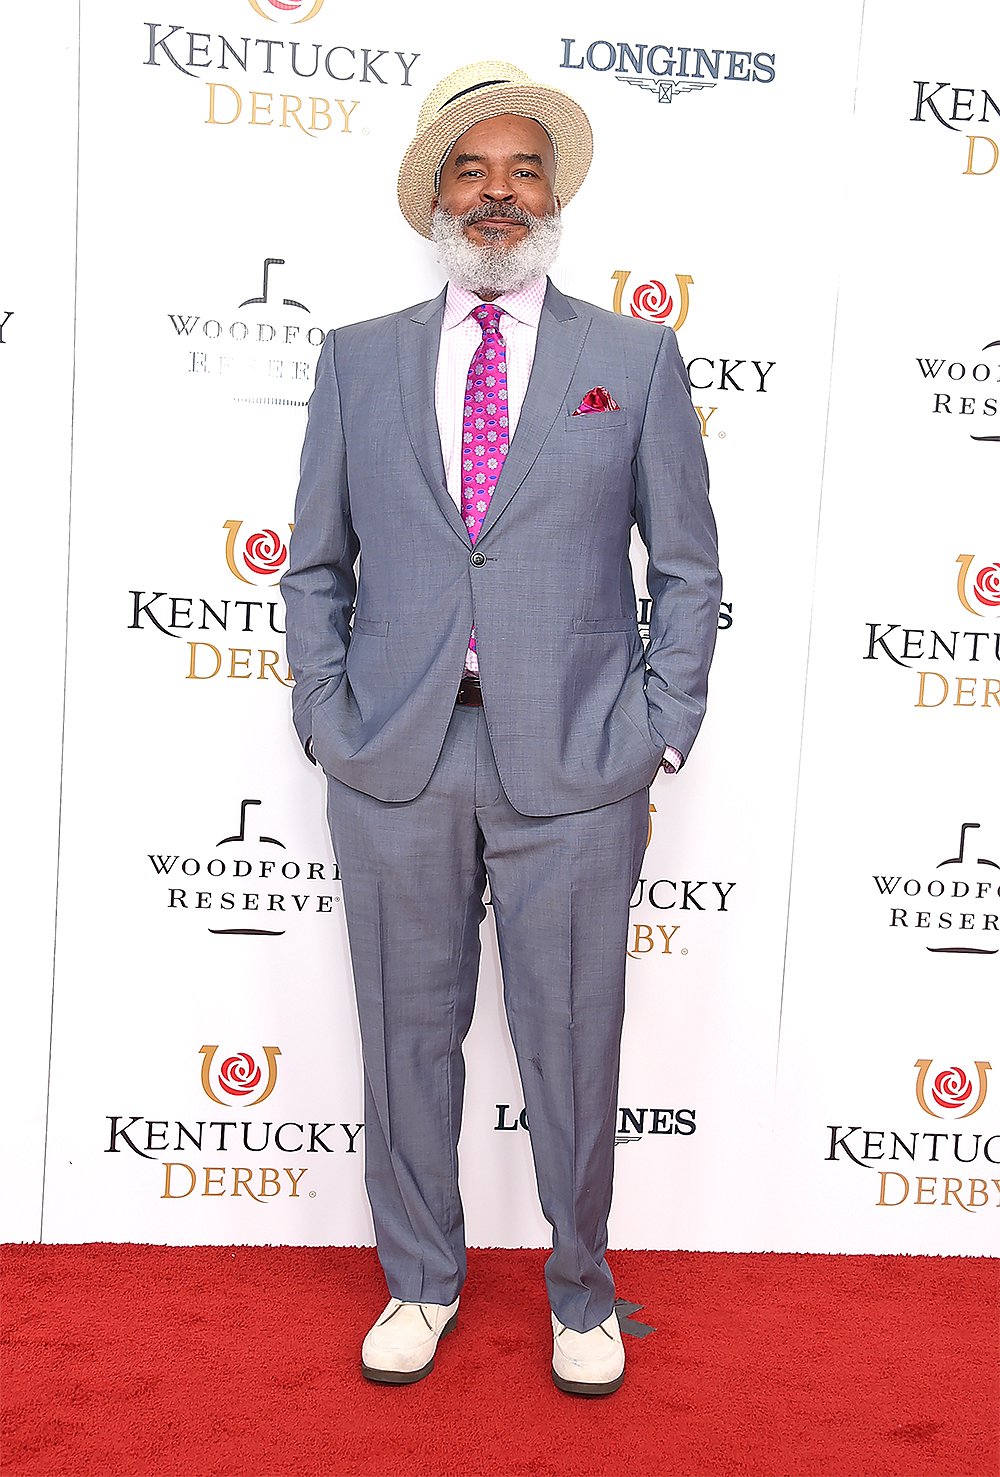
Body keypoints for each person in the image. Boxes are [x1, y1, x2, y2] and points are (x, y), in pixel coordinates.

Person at [281, 60, 720, 1397]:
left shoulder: (631, 358)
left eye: (523, 168)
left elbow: (687, 567)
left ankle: (580, 1286)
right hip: (397, 759)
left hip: (576, 766)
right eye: (471, 169)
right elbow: (315, 565)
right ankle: (420, 1276)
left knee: (574, 1038)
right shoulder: (357, 361)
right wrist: (325, 712)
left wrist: (657, 724)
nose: (497, 193)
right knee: (405, 1030)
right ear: (435, 194)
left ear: (555, 190)